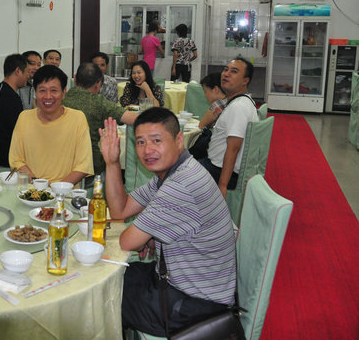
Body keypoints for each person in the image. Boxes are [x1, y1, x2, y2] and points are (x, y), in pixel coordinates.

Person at [99, 110, 236, 336]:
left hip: (195, 304)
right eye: (141, 142)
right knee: (115, 276)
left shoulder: (180, 185)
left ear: (179, 140)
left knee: (104, 296)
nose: (147, 150)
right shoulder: (175, 172)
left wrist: (147, 235)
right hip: (185, 283)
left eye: (156, 140)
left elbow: (127, 242)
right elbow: (120, 210)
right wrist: (112, 162)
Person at [9, 65, 93, 184]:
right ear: (35, 93)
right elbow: (16, 160)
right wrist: (38, 185)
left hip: (64, 192)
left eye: (54, 90)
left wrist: (57, 189)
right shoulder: (24, 118)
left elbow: (83, 166)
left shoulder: (77, 118)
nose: (48, 96)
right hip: (31, 189)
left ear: (63, 93)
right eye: (42, 90)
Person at [64, 63, 137, 176]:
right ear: (98, 83)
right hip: (90, 166)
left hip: (62, 164)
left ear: (75, 78)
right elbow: (135, 119)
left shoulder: (62, 98)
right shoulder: (98, 103)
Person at [199, 58, 258, 196]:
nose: (226, 74)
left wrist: (222, 185)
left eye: (234, 71)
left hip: (219, 172)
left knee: (173, 172)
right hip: (217, 166)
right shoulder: (241, 101)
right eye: (225, 70)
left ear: (245, 81)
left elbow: (233, 148)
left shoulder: (238, 107)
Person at [0, 54, 30, 167]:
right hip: (7, 155)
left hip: (7, 150)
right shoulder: (8, 97)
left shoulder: (1, 91)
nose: (28, 76)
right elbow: (19, 130)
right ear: (18, 71)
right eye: (27, 72)